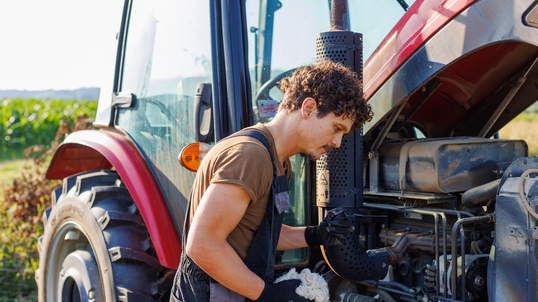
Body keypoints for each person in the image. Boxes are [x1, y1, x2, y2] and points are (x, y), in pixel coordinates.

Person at [170, 60, 373, 302]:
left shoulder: (278, 162)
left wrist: (315, 235)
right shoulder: (250, 155)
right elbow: (203, 245)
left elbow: (258, 234)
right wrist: (270, 295)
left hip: (234, 288)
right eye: (336, 128)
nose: (337, 142)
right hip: (212, 293)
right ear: (308, 109)